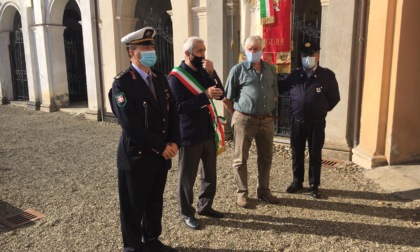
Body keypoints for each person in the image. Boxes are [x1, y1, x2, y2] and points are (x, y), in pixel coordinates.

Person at [109, 27, 180, 252]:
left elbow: (173, 112)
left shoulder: (160, 78)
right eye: (145, 48)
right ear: (132, 53)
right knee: (133, 207)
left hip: (160, 156)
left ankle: (152, 241)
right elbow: (131, 125)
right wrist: (161, 147)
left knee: (154, 203)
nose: (151, 51)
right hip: (138, 156)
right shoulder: (122, 83)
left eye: (152, 47)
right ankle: (132, 247)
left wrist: (174, 142)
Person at [168, 36, 225, 230]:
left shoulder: (203, 71)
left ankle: (205, 206)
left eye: (204, 50)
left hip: (208, 132)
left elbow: (221, 93)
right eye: (199, 51)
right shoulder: (175, 78)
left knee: (209, 173)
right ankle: (186, 212)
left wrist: (213, 73)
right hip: (189, 134)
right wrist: (205, 96)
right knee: (188, 177)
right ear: (187, 54)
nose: (203, 55)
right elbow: (179, 107)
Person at [278, 40, 340, 199]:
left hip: (316, 123)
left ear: (318, 56)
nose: (308, 57)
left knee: (315, 153)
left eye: (311, 54)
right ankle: (297, 181)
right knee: (296, 152)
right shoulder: (294, 75)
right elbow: (278, 87)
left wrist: (320, 110)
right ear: (300, 56)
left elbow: (334, 98)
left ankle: (314, 184)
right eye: (305, 55)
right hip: (297, 121)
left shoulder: (327, 75)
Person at [224, 35, 280, 208]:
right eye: (249, 49)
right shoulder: (238, 70)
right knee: (240, 159)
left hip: (267, 121)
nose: (252, 52)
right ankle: (242, 193)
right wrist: (238, 115)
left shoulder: (271, 70)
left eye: (256, 49)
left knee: (266, 157)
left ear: (262, 50)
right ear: (245, 50)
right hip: (245, 121)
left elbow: (275, 94)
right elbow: (227, 98)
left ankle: (264, 190)